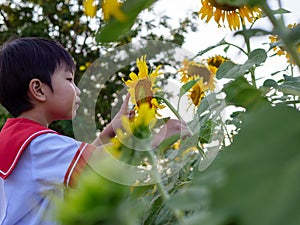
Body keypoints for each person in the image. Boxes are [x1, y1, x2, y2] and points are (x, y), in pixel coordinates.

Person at [0, 37, 188, 225]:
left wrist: (109, 132)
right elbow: (98, 166)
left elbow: (82, 169)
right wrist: (156, 138)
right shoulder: (38, 144)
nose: (78, 91)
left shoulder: (19, 141)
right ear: (38, 90)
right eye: (69, 79)